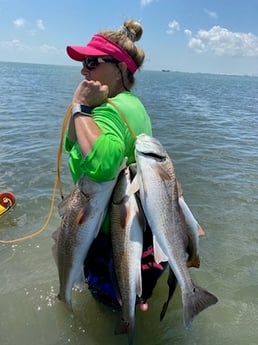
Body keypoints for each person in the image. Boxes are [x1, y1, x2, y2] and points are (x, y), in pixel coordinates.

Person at [64, 19, 167, 309]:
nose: (84, 69)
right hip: (139, 231)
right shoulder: (133, 105)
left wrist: (80, 108)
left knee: (109, 308)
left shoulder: (108, 110)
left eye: (92, 61)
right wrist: (81, 111)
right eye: (84, 62)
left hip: (112, 237)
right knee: (133, 299)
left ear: (120, 68)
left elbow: (103, 166)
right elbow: (73, 145)